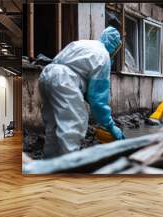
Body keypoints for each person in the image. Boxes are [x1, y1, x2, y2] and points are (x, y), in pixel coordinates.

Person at [38, 26, 125, 158]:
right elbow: (97, 100)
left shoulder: (85, 44)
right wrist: (110, 125)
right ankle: (69, 169)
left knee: (54, 128)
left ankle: (49, 166)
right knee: (72, 128)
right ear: (114, 46)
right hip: (65, 81)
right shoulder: (103, 57)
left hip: (47, 75)